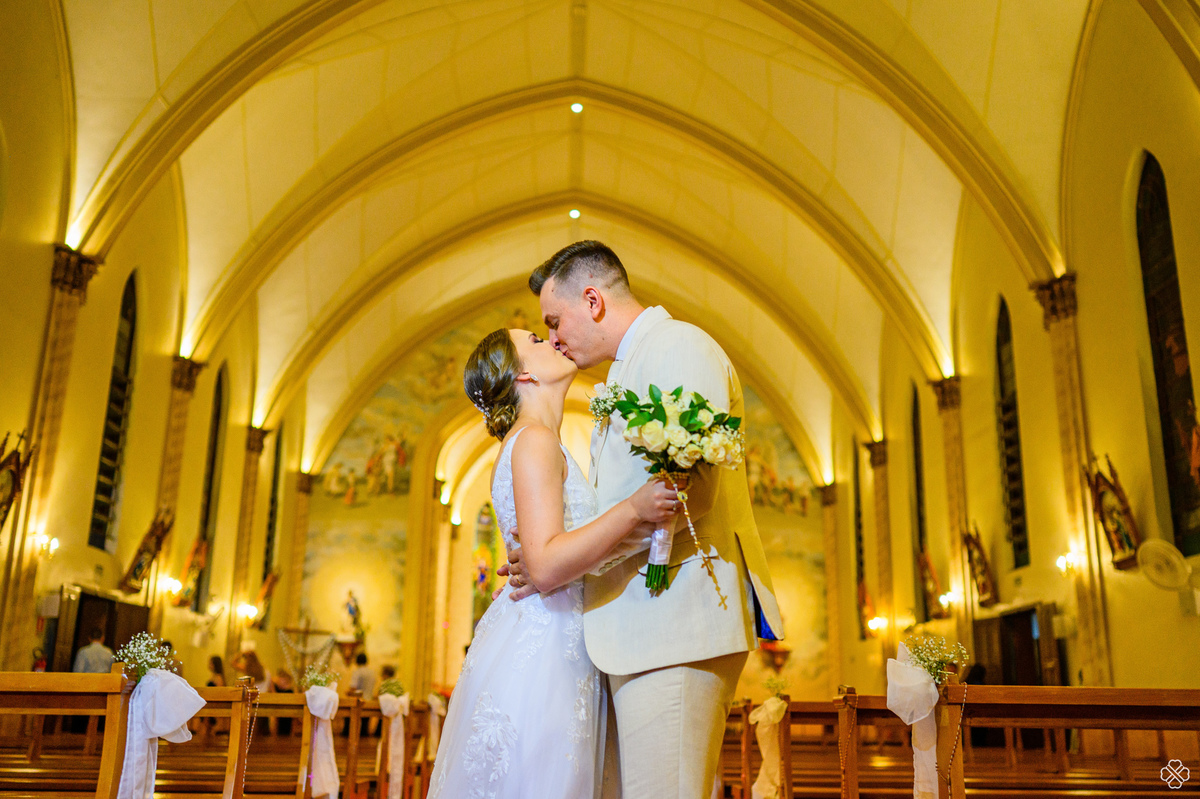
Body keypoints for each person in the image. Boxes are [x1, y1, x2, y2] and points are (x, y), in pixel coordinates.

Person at [505, 240, 784, 796]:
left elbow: (687, 496)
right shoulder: (630, 366)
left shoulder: (678, 346)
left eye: (554, 321)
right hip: (640, 629)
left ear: (593, 300)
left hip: (675, 625)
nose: (553, 338)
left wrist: (562, 564)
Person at [425, 324, 680, 798]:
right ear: (522, 374)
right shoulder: (535, 440)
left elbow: (553, 553)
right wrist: (633, 509)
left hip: (554, 632)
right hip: (545, 647)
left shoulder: (535, 441)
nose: (553, 340)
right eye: (537, 342)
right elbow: (543, 566)